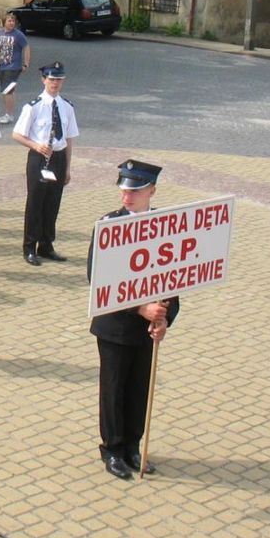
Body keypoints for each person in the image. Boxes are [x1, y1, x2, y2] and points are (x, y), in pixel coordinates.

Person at [88, 160, 178, 480]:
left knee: (140, 388)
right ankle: (112, 449)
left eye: (135, 191)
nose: (126, 197)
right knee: (114, 389)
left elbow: (175, 279)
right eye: (124, 190)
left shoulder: (167, 226)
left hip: (147, 329)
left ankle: (132, 446)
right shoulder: (109, 226)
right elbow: (98, 278)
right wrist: (141, 309)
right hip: (115, 325)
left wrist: (166, 318)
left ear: (151, 190)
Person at [13, 61, 78, 265]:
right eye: (52, 79)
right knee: (35, 203)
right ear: (43, 80)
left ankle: (46, 245)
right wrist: (36, 145)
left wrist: (67, 167)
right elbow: (16, 134)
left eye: (59, 79)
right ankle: (29, 247)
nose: (55, 83)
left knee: (53, 203)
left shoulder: (66, 106)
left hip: (58, 158)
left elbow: (69, 138)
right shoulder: (33, 107)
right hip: (39, 157)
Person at [0, 13, 31, 124]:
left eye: (13, 21)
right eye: (9, 21)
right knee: (9, 91)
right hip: (3, 66)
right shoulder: (0, 33)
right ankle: (9, 114)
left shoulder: (18, 35)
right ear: (4, 22)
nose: (11, 23)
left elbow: (27, 47)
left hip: (13, 66)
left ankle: (9, 115)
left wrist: (26, 64)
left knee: (7, 91)